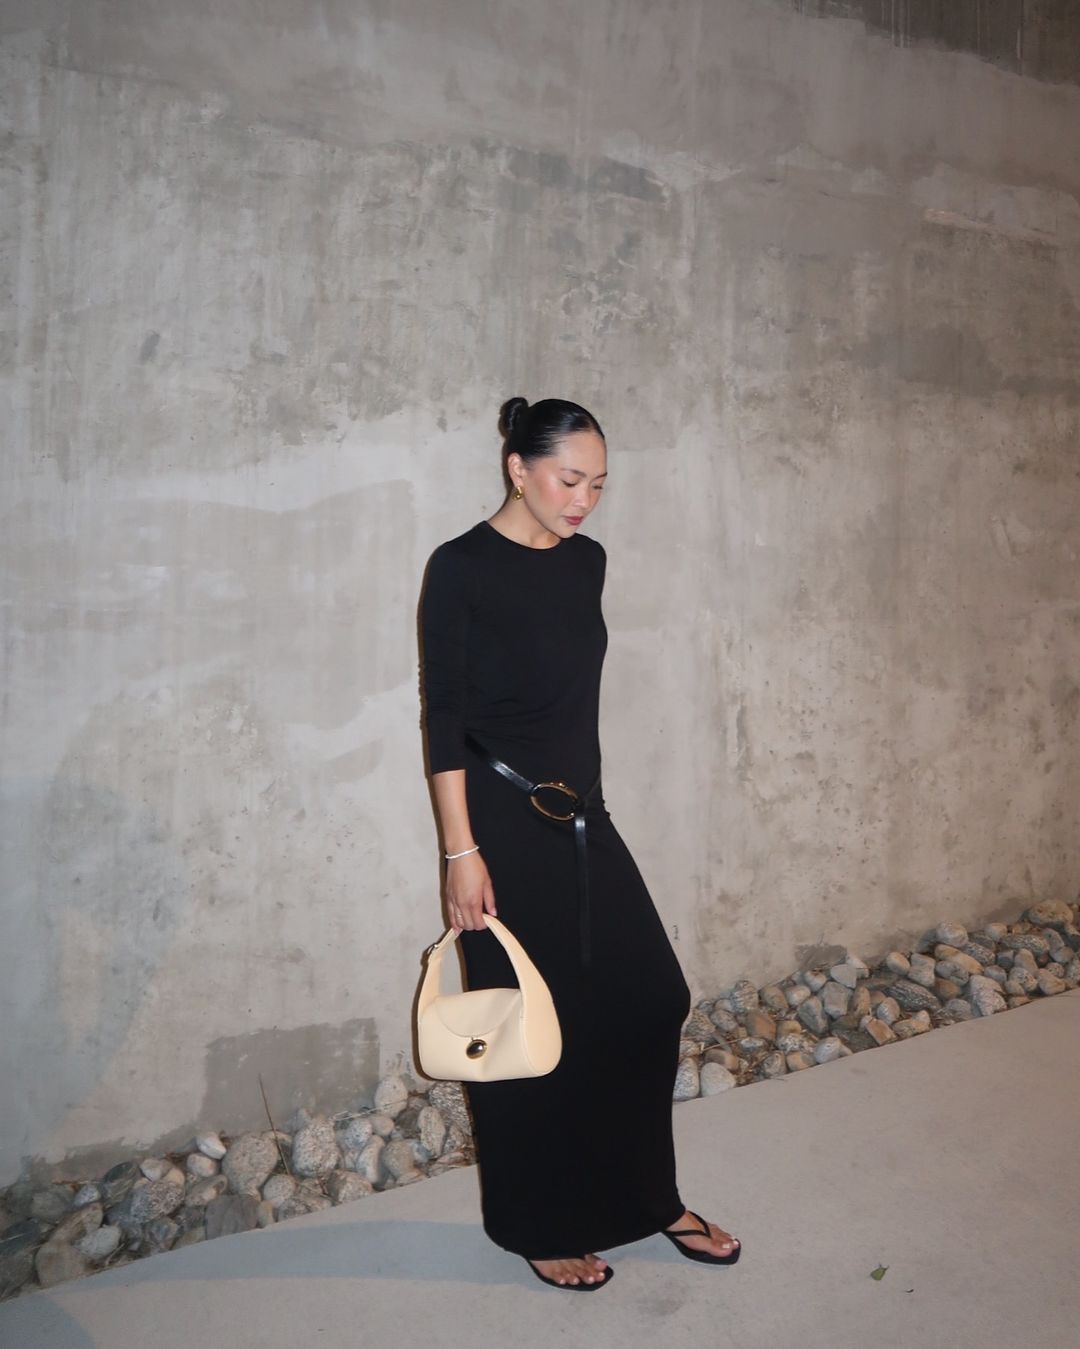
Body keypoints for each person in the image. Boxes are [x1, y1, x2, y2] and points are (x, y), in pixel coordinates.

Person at [419, 396, 741, 1290]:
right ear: (517, 469)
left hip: (583, 819)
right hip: (498, 829)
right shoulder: (460, 568)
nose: (584, 501)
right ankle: (538, 1222)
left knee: (647, 1001)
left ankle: (648, 1198)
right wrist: (460, 852)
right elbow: (444, 719)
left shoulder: (586, 562)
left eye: (598, 485)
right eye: (569, 480)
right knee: (524, 1026)